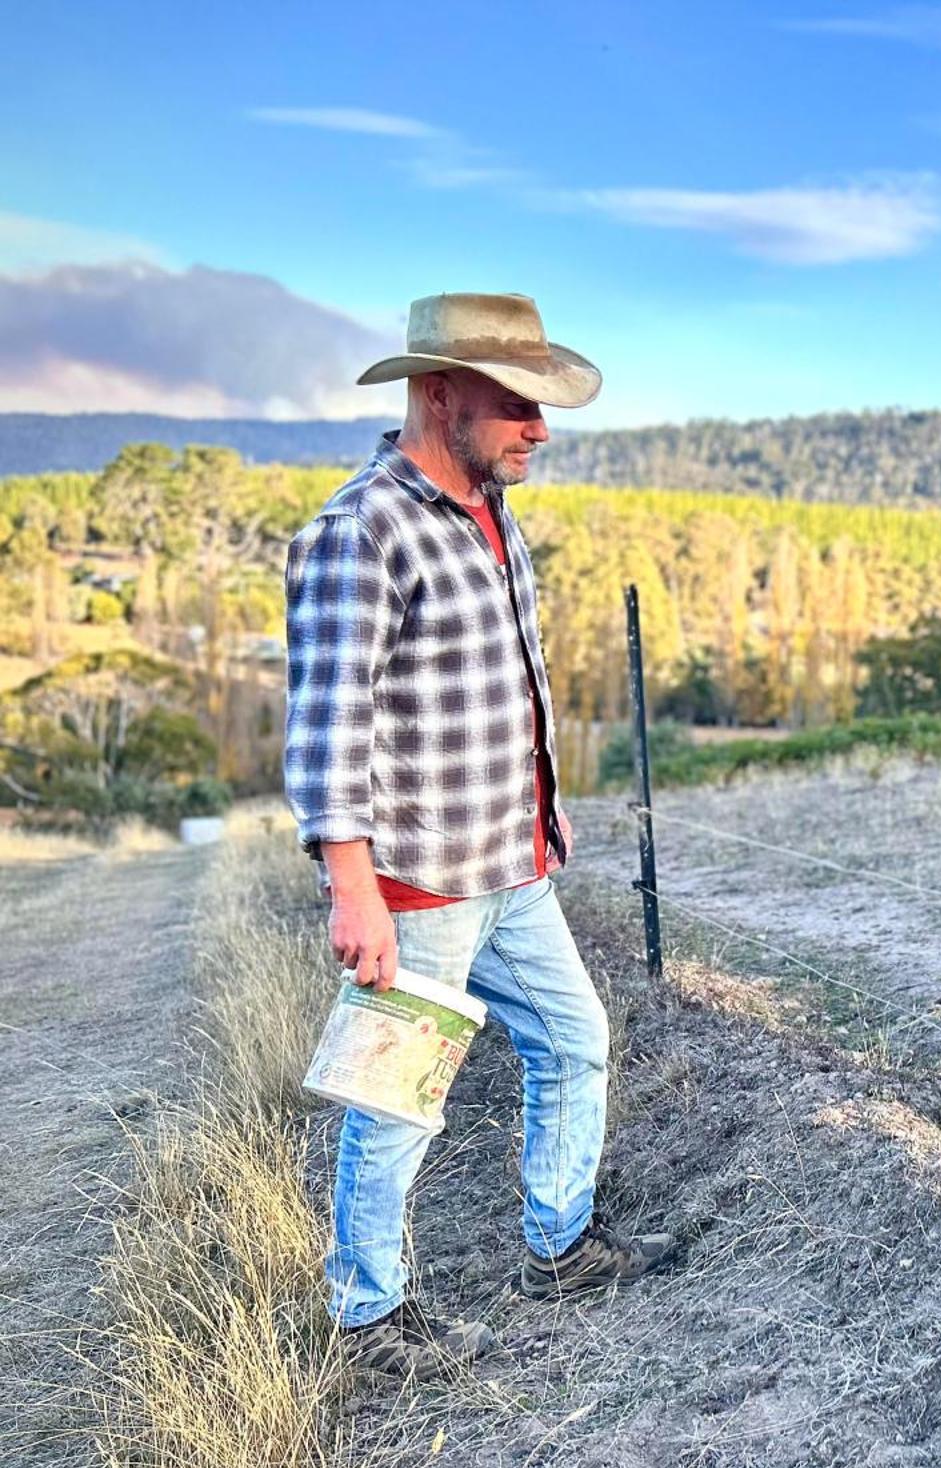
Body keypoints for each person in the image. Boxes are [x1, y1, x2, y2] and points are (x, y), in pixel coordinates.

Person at [284, 292, 675, 1378]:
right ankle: (368, 1319)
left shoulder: (492, 517)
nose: (540, 428)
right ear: (439, 392)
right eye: (518, 404)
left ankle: (558, 1246)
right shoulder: (361, 529)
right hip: (420, 882)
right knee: (397, 1096)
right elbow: (328, 726)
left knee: (574, 1038)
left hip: (513, 867)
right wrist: (351, 887)